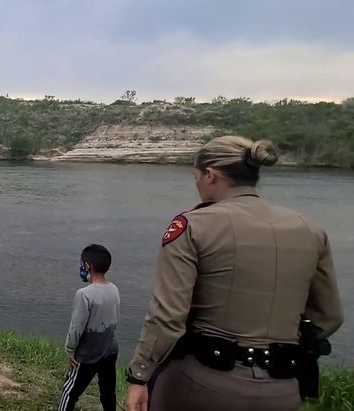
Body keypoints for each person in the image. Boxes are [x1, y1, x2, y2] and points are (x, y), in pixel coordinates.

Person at [125, 136, 344, 411]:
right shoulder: (310, 230)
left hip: (201, 384)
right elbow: (330, 316)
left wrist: (138, 375)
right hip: (283, 388)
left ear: (209, 174)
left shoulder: (193, 226)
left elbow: (167, 318)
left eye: (196, 176)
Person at [59, 244, 119, 411]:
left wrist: (70, 351)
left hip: (87, 354)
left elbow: (76, 327)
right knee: (108, 392)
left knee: (70, 391)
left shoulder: (84, 294)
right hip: (110, 350)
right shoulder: (114, 289)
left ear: (87, 266)